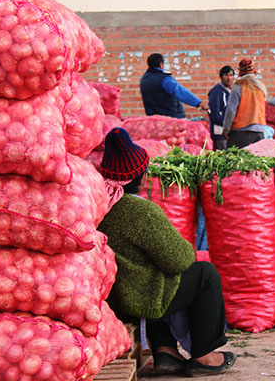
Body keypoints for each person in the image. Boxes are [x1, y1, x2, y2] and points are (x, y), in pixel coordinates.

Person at [98, 128, 236, 377]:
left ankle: (166, 353)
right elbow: (179, 259)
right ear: (140, 176)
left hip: (114, 299)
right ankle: (205, 354)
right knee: (204, 274)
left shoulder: (98, 205)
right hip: (136, 299)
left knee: (153, 273)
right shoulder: (140, 211)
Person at [140, 53, 209, 118]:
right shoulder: (165, 79)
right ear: (161, 64)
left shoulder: (144, 80)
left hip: (153, 120)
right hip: (171, 119)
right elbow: (181, 92)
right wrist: (199, 103)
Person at [222, 58, 268, 148]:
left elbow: (231, 110)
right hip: (259, 130)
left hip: (241, 131)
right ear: (254, 72)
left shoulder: (238, 86)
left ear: (240, 72)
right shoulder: (261, 87)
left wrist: (226, 129)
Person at [207, 65, 235, 150]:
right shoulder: (217, 92)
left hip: (228, 131)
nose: (229, 78)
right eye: (226, 75)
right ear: (221, 77)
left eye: (231, 75)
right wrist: (226, 125)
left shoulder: (230, 91)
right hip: (220, 132)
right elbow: (215, 113)